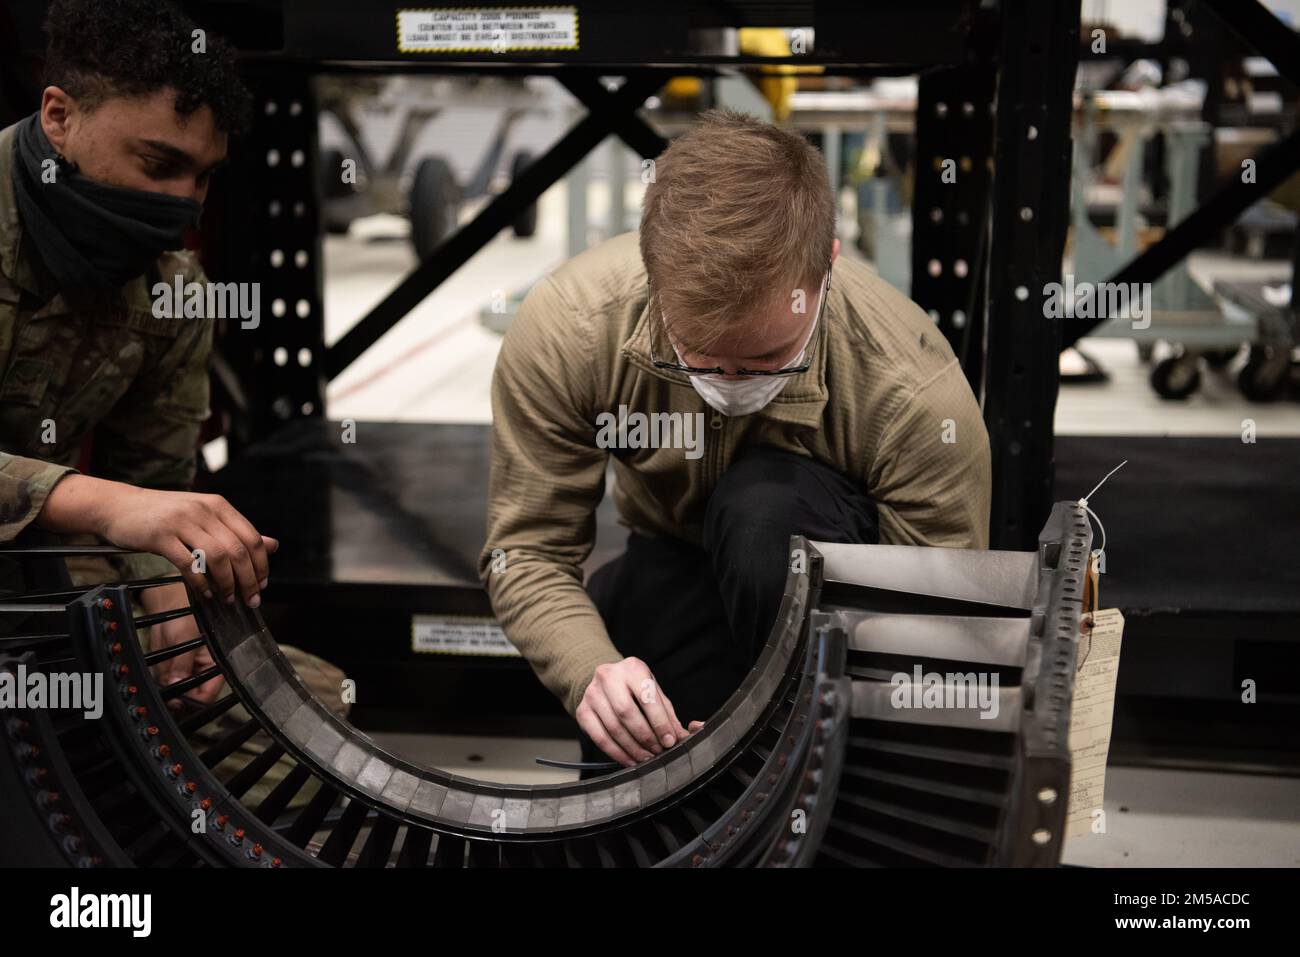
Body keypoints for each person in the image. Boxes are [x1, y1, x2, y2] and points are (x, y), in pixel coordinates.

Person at [480, 109, 992, 770]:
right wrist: (592, 672)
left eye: (764, 358)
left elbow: (939, 627)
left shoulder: (914, 392)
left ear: (827, 267)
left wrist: (816, 726)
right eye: (697, 356)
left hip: (825, 587)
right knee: (655, 774)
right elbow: (525, 550)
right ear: (651, 274)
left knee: (762, 516)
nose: (727, 381)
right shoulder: (570, 331)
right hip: (674, 558)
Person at [0, 0, 269, 702]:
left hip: (34, 579)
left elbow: (153, 483)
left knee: (288, 708)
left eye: (204, 177)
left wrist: (168, 593)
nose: (184, 205)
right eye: (159, 163)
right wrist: (99, 502)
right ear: (59, 116)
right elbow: (124, 503)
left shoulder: (172, 292)